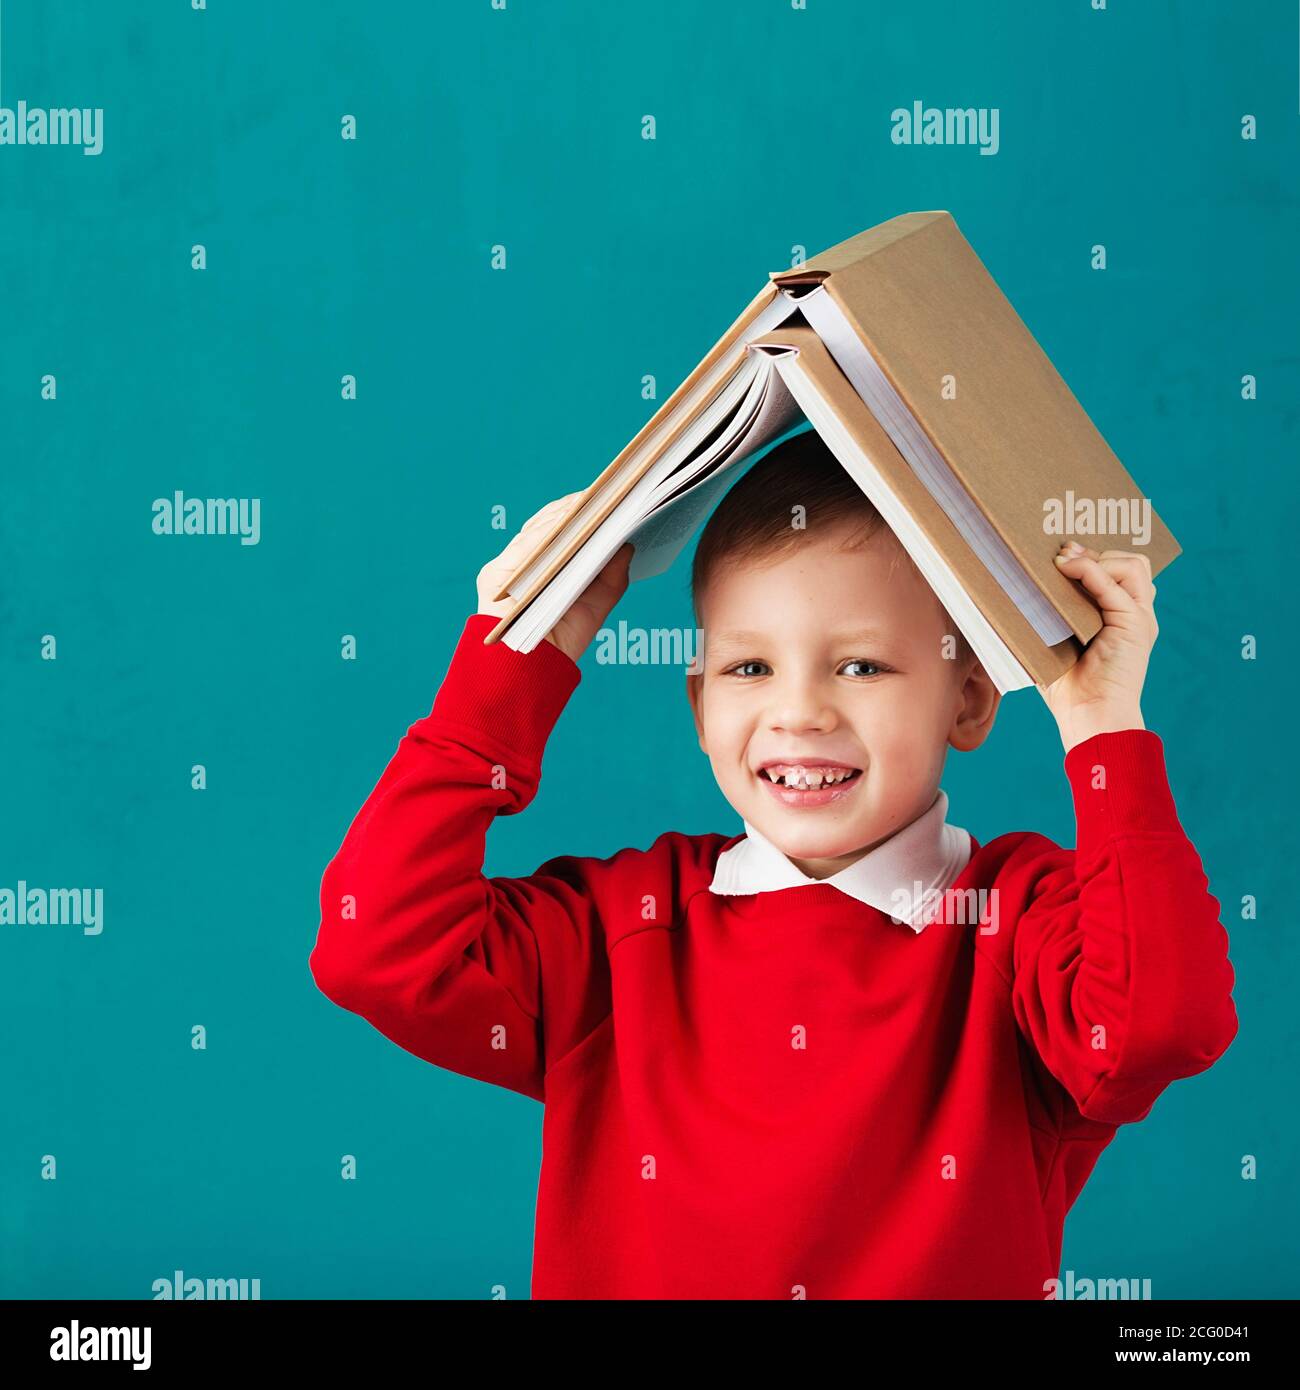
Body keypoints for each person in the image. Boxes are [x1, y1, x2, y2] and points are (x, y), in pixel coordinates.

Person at [309, 429, 1238, 1299]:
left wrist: (1100, 720)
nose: (800, 713)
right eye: (750, 669)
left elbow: (1158, 1027)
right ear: (700, 706)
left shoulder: (1025, 919)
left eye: (863, 667)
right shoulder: (619, 925)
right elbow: (374, 947)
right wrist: (512, 660)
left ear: (969, 703)